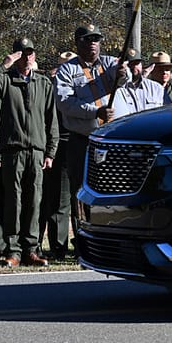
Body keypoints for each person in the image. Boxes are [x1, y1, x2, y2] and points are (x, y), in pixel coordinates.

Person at [0, 37, 58, 268]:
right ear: (15, 56)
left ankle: (31, 249)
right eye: (22, 53)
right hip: (12, 151)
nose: (27, 57)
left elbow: (51, 120)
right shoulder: (6, 81)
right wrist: (4, 64)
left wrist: (51, 152)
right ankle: (13, 250)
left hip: (36, 152)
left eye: (30, 53)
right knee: (13, 201)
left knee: (34, 201)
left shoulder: (43, 83)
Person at [53, 24, 120, 247]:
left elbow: (125, 79)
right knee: (81, 193)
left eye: (96, 38)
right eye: (87, 38)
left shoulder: (110, 63)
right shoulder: (67, 70)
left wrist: (124, 73)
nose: (93, 42)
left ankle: (110, 240)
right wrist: (95, 111)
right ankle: (84, 241)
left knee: (111, 190)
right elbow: (64, 102)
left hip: (110, 141)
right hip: (82, 141)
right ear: (77, 42)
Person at [39, 51, 75, 261]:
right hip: (58, 146)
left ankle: (81, 245)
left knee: (80, 200)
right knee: (58, 200)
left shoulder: (82, 86)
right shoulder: (51, 88)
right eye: (64, 66)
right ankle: (58, 247)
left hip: (80, 144)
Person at [112, 48, 167, 119]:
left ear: (141, 65)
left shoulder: (157, 88)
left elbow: (168, 113)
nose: (134, 67)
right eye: (130, 64)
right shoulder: (115, 91)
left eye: (137, 63)